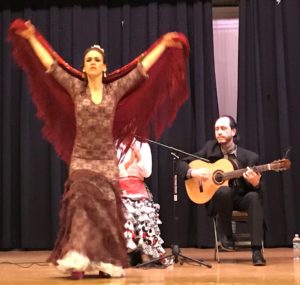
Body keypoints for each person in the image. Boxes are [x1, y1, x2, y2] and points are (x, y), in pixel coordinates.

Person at [9, 19, 188, 279]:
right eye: (88, 60)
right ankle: (78, 256)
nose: (92, 62)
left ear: (103, 67)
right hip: (81, 158)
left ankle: (102, 260)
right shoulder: (75, 88)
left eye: (97, 60)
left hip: (106, 160)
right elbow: (51, 65)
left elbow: (139, 70)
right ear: (83, 67)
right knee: (81, 202)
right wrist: (33, 37)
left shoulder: (114, 90)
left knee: (104, 212)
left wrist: (162, 45)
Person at [176, 115, 266, 266]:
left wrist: (256, 183)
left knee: (254, 197)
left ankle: (257, 251)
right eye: (216, 129)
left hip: (241, 198)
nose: (219, 132)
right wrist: (193, 173)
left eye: (223, 128)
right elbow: (181, 163)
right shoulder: (209, 149)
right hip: (219, 200)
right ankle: (227, 236)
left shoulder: (250, 157)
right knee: (224, 191)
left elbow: (257, 188)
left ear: (233, 131)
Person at [117, 138, 167, 266]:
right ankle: (121, 253)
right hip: (119, 186)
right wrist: (129, 162)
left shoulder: (143, 145)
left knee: (145, 214)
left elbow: (147, 173)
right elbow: (114, 172)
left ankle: (147, 252)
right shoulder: (114, 144)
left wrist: (139, 157)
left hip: (137, 186)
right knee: (123, 210)